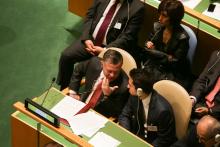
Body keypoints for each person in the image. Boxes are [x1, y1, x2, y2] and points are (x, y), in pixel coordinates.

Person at [57, 0, 145, 90]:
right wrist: (86, 38)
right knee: (66, 56)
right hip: (91, 41)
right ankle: (64, 88)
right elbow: (90, 16)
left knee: (95, 68)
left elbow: (128, 37)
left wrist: (105, 50)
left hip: (111, 49)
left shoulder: (137, 8)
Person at [118, 68, 177, 147]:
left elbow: (165, 139)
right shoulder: (135, 96)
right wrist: (127, 134)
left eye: (130, 85)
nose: (127, 86)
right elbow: (124, 115)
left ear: (139, 91)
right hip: (135, 137)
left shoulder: (163, 111)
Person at [143, 0, 191, 90]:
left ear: (174, 18)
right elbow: (146, 47)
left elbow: (175, 62)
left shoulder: (183, 38)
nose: (159, 18)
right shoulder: (157, 27)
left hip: (172, 73)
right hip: (154, 65)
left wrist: (154, 51)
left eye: (164, 16)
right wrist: (164, 55)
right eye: (160, 14)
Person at [68, 49, 129, 118]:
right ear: (102, 63)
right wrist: (73, 92)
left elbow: (115, 113)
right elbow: (78, 69)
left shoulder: (124, 86)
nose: (112, 75)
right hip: (81, 103)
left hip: (98, 116)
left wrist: (107, 96)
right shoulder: (94, 62)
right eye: (109, 71)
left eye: (116, 72)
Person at [190, 50, 220, 120]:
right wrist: (193, 98)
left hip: (216, 111)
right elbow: (202, 80)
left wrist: (209, 111)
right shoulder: (216, 56)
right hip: (201, 100)